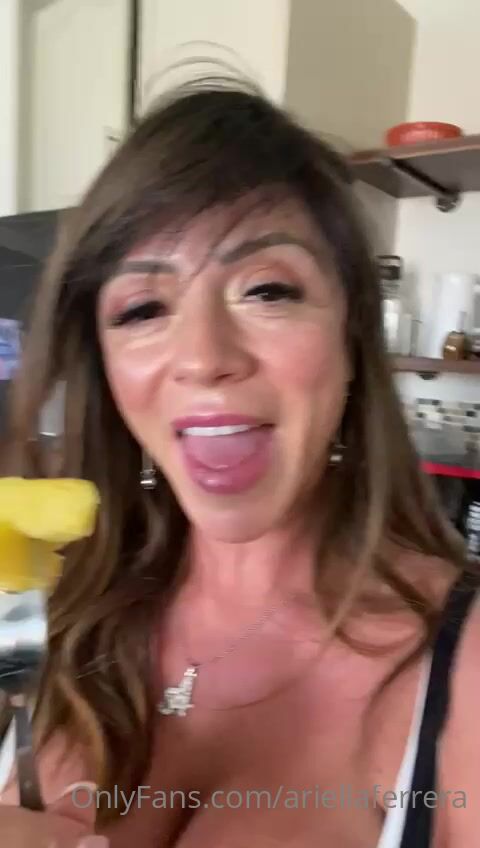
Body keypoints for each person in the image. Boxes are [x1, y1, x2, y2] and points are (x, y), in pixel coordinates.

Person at [0, 77, 478, 848]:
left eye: (267, 290)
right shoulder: (43, 610)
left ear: (353, 337)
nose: (203, 358)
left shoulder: (464, 663)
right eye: (143, 308)